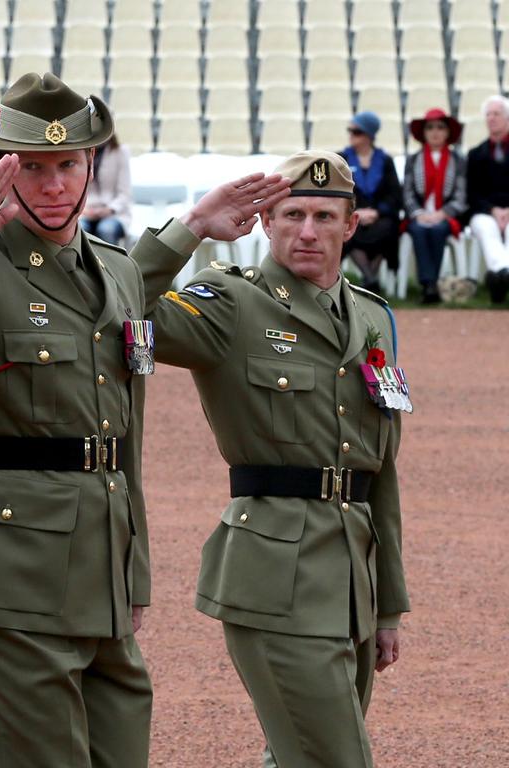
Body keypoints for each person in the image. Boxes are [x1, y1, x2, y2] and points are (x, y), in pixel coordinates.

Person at [0, 72, 289, 767]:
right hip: (7, 581)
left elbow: (119, 435)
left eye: (68, 164)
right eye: (32, 168)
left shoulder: (108, 267)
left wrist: (131, 576)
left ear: (92, 164)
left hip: (100, 579)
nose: (54, 185)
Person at [131, 150, 411, 767]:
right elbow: (118, 305)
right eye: (290, 215)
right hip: (274, 572)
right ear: (264, 222)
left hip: (350, 581)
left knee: (295, 756)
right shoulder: (230, 303)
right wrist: (192, 228)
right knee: (336, 758)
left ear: (351, 224)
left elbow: (379, 468)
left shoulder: (371, 318)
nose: (306, 231)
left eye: (322, 215)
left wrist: (386, 603)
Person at [403, 108, 467, 304]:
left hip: (445, 216)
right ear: (424, 132)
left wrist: (443, 213)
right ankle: (429, 285)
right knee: (419, 230)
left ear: (448, 132)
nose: (435, 132)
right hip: (419, 215)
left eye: (440, 127)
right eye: (430, 127)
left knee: (438, 230)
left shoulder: (458, 160)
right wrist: (419, 213)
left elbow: (461, 195)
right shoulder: (413, 159)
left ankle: (430, 285)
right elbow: (407, 193)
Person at [340, 111, 402, 294]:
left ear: (369, 135)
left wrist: (377, 212)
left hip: (379, 216)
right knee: (347, 227)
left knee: (389, 228)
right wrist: (356, 211)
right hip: (352, 214)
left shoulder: (385, 161)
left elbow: (395, 195)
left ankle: (368, 279)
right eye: (350, 131)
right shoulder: (341, 159)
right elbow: (336, 192)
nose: (351, 135)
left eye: (356, 132)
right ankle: (371, 279)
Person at [465, 94, 509, 303]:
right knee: (486, 228)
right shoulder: (475, 154)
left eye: (497, 114)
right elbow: (472, 194)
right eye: (488, 114)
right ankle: (503, 272)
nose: (492, 118)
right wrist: (493, 210)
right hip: (484, 212)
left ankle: (499, 277)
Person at [80, 131, 132, 245]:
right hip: (87, 212)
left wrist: (108, 210)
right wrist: (84, 210)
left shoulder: (120, 151)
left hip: (114, 213)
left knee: (106, 229)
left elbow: (124, 194)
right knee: (79, 229)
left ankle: (109, 263)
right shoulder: (80, 151)